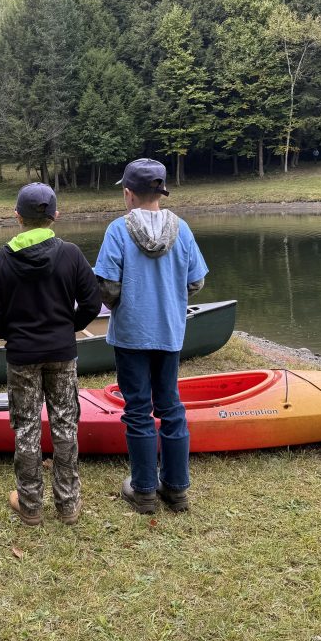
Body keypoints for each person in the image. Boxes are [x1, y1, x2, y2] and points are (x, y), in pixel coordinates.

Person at [0, 183, 102, 526]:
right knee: (66, 424)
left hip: (22, 356)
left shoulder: (3, 258)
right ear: (55, 216)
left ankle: (31, 506)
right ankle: (68, 505)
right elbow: (92, 302)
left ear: (17, 217)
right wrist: (68, 328)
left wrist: (15, 335)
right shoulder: (71, 254)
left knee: (26, 427)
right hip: (62, 353)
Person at [93, 159, 208, 515]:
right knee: (171, 407)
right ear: (161, 192)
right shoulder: (183, 229)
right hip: (169, 333)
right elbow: (196, 282)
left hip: (130, 334)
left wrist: (122, 304)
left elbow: (107, 286)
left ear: (128, 194)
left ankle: (143, 490)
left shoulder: (117, 230)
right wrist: (171, 298)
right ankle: (177, 490)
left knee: (138, 408)